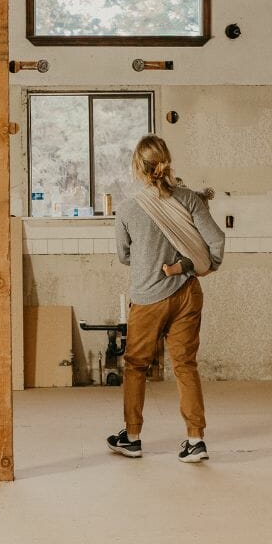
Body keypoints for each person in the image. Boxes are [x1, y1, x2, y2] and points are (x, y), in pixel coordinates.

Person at [107, 135, 225, 463]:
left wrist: (148, 257)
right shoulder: (190, 200)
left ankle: (131, 437)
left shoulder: (129, 208)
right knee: (185, 365)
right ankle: (195, 439)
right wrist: (189, 266)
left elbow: (124, 255)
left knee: (135, 366)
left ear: (137, 167)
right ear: (166, 162)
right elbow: (215, 243)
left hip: (148, 297)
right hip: (188, 293)